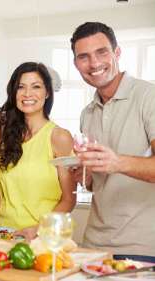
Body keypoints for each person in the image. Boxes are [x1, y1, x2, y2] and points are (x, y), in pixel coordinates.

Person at [70, 22, 155, 261]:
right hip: (93, 245)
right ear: (76, 64)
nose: (94, 63)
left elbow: (115, 165)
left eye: (102, 52)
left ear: (117, 53)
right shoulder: (87, 113)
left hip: (142, 248)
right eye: (84, 57)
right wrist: (84, 176)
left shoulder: (148, 97)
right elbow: (99, 184)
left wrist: (116, 162)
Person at [0, 62, 76, 240]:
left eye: (36, 87)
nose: (27, 94)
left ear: (47, 92)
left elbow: (68, 200)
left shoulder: (59, 137)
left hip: (43, 239)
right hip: (4, 236)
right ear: (14, 93)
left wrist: (39, 229)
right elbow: (3, 191)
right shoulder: (3, 135)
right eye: (21, 87)